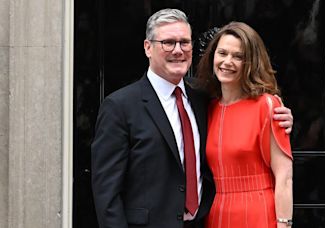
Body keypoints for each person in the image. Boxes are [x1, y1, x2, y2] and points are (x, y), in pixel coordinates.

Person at [91, 9, 293, 228]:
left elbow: (243, 117)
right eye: (168, 42)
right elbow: (107, 194)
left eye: (184, 42)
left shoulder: (203, 99)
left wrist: (281, 118)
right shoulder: (119, 107)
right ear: (148, 48)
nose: (178, 50)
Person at [196, 22, 293, 228]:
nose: (227, 61)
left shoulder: (266, 105)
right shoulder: (207, 107)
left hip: (257, 212)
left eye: (238, 56)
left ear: (251, 63)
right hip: (217, 213)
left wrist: (284, 224)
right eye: (222, 53)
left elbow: (284, 176)